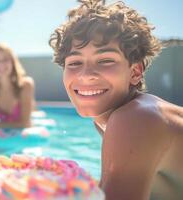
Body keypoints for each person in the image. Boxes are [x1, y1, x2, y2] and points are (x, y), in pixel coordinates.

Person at [49, 0, 183, 199]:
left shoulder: (135, 119)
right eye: (75, 62)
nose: (86, 75)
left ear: (135, 71)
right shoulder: (108, 120)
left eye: (105, 60)